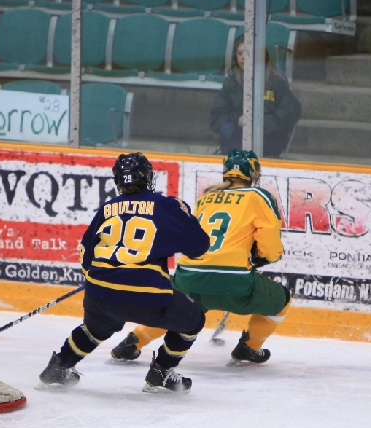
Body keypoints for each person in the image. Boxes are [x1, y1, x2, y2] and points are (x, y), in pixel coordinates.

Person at [39, 153, 211, 393]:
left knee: (95, 327)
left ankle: (58, 366)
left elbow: (86, 254)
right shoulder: (165, 205)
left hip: (99, 293)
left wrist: (99, 281)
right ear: (147, 177)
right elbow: (200, 246)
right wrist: (184, 215)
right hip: (147, 296)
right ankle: (161, 372)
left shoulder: (107, 208)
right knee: (193, 320)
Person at [110, 149, 291, 366]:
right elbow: (269, 243)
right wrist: (265, 257)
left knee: (177, 310)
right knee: (283, 301)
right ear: (252, 173)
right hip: (234, 282)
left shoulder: (207, 197)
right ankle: (249, 348)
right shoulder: (258, 195)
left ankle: (133, 342)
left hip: (189, 276)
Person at [210, 35, 302, 159]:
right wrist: (238, 119)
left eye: (247, 53)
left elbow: (288, 115)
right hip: (238, 134)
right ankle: (238, 165)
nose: (243, 57)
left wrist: (257, 123)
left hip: (268, 137)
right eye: (239, 53)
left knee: (247, 142)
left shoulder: (277, 82)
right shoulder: (231, 82)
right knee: (228, 129)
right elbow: (217, 116)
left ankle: (243, 165)